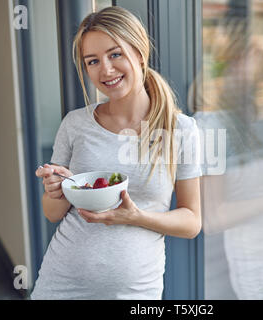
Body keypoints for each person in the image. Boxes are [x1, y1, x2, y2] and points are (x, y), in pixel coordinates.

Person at [30, 6, 202, 300]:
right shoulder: (75, 124)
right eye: (93, 61)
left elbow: (191, 222)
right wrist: (56, 189)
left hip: (136, 292)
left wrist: (135, 216)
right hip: (61, 284)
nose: (105, 70)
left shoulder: (181, 130)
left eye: (115, 54)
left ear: (139, 53)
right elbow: (52, 213)